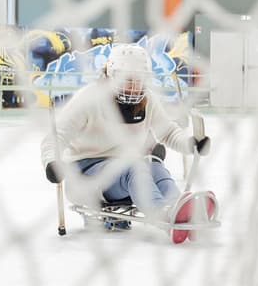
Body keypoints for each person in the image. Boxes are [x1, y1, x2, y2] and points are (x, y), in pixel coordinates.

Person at [41, 43, 214, 243]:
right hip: (86, 175)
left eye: (139, 79)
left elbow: (167, 132)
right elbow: (56, 136)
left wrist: (191, 144)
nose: (133, 85)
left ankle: (180, 210)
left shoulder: (147, 100)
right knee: (134, 166)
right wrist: (52, 162)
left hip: (126, 169)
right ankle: (163, 215)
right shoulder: (89, 99)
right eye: (127, 78)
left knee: (155, 166)